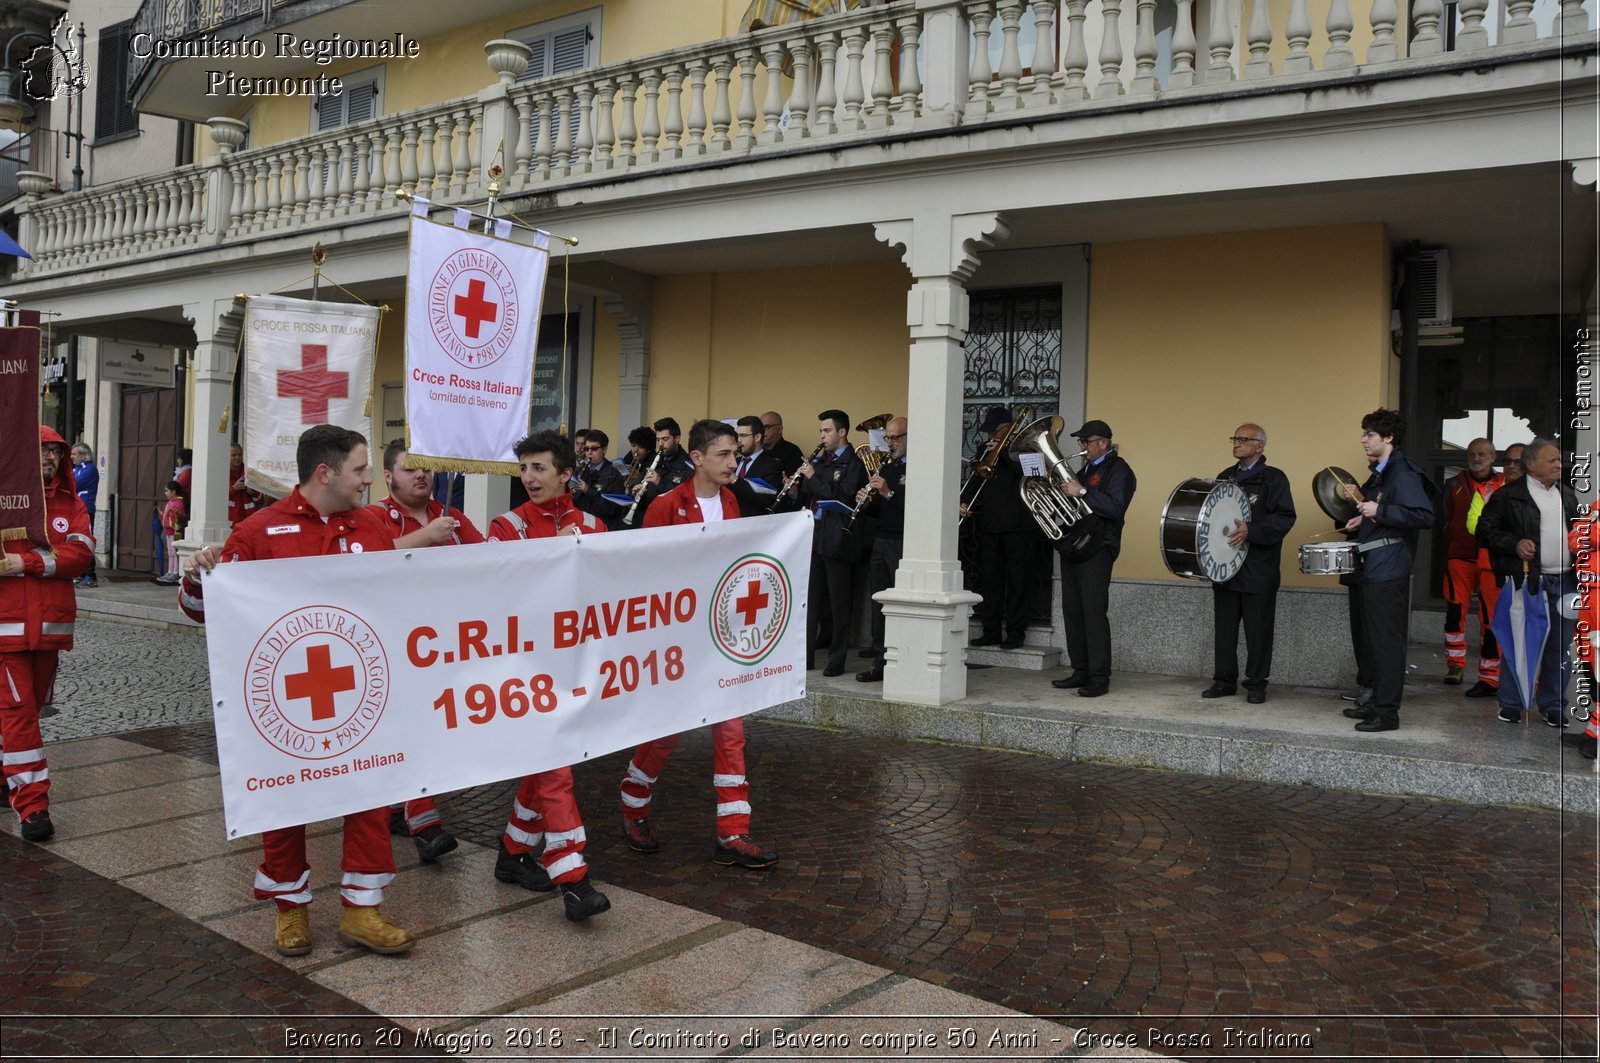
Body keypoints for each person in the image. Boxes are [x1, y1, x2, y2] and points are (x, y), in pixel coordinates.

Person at [179, 425, 415, 957]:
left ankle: (362, 910)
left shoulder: (373, 528)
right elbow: (201, 613)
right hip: (288, 700)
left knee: (371, 796)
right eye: (360, 469)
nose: (369, 479)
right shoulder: (260, 530)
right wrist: (198, 578)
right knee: (284, 798)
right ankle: (291, 910)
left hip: (363, 694)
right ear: (324, 473)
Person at [623, 419, 777, 870]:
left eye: (736, 454)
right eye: (725, 455)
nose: (734, 462)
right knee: (664, 735)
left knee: (732, 734)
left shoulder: (732, 501)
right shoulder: (665, 505)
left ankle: (734, 832)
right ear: (698, 459)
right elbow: (648, 579)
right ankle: (633, 804)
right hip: (675, 646)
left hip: (720, 643)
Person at [484, 431, 611, 922]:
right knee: (555, 765)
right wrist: (550, 554)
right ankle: (573, 877)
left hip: (577, 666)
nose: (530, 479)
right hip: (524, 668)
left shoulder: (596, 525)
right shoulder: (506, 525)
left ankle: (513, 852)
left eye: (540, 469)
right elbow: (499, 593)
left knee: (544, 765)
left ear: (565, 474)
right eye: (525, 469)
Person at [368, 439, 483, 864]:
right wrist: (423, 538)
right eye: (409, 469)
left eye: (426, 469)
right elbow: (363, 562)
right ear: (388, 476)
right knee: (414, 728)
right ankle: (424, 821)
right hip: (392, 642)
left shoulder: (451, 517)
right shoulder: (373, 517)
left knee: (429, 728)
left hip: (445, 644)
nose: (420, 476)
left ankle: (398, 808)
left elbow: (494, 558)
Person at [0, 428, 94, 841]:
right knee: (19, 714)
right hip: (5, 633)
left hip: (49, 633)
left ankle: (7, 773)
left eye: (54, 451)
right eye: (39, 450)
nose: (48, 457)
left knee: (29, 711)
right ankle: (34, 807)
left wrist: (27, 562)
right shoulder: (4, 503)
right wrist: (48, 558)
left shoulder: (71, 505)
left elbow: (82, 555)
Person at [1337, 410, 1436, 734]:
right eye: (1364, 433)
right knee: (1373, 640)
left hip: (1388, 567)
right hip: (1375, 566)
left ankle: (1387, 713)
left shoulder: (1402, 472)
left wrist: (1379, 510)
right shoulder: (1383, 472)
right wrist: (1364, 518)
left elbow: (1423, 515)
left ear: (1389, 438)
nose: (1364, 439)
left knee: (1386, 643)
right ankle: (1376, 702)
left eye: (1370, 434)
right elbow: (1386, 514)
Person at [1477, 438, 1579, 728]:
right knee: (1518, 643)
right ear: (1531, 465)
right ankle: (1510, 704)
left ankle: (1553, 705)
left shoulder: (1568, 496)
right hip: (1528, 582)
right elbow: (1485, 532)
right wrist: (1514, 543)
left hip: (1565, 584)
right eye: (1552, 460)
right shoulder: (1508, 496)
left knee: (1559, 649)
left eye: (1559, 459)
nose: (1559, 464)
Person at [1203, 424, 1297, 705]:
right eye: (1235, 438)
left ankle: (1256, 684)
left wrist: (1251, 531)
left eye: (1244, 439)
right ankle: (1224, 681)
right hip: (1225, 568)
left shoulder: (1274, 479)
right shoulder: (1224, 477)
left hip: (1259, 569)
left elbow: (1284, 518)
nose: (1237, 443)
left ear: (1260, 446)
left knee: (1258, 632)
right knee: (1225, 630)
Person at [1050, 420, 1137, 698]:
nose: (1083, 447)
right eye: (1082, 443)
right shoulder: (1086, 469)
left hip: (1099, 548)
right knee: (1072, 610)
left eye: (1086, 442)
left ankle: (1099, 677)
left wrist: (1083, 491)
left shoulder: (1119, 470)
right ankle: (1081, 669)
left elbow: (1115, 507)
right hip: (1076, 545)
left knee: (1093, 612)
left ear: (1104, 443)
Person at [800, 409, 868, 677]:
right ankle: (805, 656)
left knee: (839, 601)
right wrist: (798, 484)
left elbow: (844, 496)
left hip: (839, 535)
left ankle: (837, 658)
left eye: (827, 431)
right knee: (810, 599)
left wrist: (812, 477)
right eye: (820, 431)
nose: (822, 436)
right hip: (814, 532)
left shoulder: (855, 463)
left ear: (842, 432)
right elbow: (811, 493)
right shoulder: (823, 460)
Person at [959, 406, 1033, 650]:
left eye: (995, 431)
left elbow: (1032, 477)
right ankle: (991, 631)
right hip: (990, 525)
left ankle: (1015, 634)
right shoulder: (984, 449)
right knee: (990, 581)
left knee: (1018, 582)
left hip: (1019, 527)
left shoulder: (1027, 448)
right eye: (989, 431)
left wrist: (1001, 455)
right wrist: (965, 501)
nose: (991, 436)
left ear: (1008, 427)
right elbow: (975, 480)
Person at [1442, 438, 1503, 696]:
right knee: (1455, 611)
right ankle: (1455, 665)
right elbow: (1443, 518)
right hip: (1460, 557)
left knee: (1490, 619)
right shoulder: (1453, 484)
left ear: (1493, 457)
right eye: (1471, 453)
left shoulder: (1505, 485)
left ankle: (1489, 675)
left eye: (1482, 453)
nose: (1476, 457)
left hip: (1492, 560)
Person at [856, 416, 907, 683]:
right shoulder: (888, 464)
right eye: (888, 438)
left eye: (896, 437)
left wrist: (888, 493)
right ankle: (880, 657)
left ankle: (898, 659)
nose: (890, 442)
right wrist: (866, 501)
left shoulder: (918, 466)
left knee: (899, 604)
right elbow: (879, 510)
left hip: (902, 541)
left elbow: (915, 509)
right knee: (879, 601)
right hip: (881, 539)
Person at [1563, 508, 1598, 759]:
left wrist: (1588, 535)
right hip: (1589, 592)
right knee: (1589, 664)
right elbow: (1572, 539)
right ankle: (1593, 730)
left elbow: (1587, 536)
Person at [627, 417, 694, 521]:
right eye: (658, 440)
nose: (661, 444)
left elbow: (686, 499)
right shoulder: (654, 461)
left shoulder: (688, 465)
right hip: (649, 519)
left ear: (677, 439)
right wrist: (636, 492)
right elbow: (642, 492)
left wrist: (660, 482)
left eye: (665, 439)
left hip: (673, 522)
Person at [729, 414, 784, 516]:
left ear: (757, 437)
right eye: (737, 436)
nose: (739, 440)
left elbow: (765, 499)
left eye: (743, 436)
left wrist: (735, 480)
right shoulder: (734, 461)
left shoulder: (771, 465)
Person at [571, 428, 627, 526]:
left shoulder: (614, 475)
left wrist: (587, 490)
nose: (589, 453)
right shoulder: (581, 470)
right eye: (586, 449)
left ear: (604, 449)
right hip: (579, 525)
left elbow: (612, 509)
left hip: (601, 528)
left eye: (594, 449)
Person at [70, 443, 98, 588]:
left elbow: (74, 484)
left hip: (86, 508)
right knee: (75, 540)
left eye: (74, 454)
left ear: (82, 455)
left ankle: (91, 575)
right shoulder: (76, 469)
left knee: (86, 540)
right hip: (75, 508)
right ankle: (80, 572)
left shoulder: (90, 469)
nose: (71, 457)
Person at [227, 444, 271, 528]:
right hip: (228, 522)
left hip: (248, 521)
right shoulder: (221, 473)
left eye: (240, 455)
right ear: (226, 456)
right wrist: (233, 488)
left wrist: (252, 492)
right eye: (234, 455)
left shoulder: (250, 472)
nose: (237, 457)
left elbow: (262, 500)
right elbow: (215, 499)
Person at [155, 480, 186, 585]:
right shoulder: (171, 502)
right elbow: (167, 515)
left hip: (173, 532)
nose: (165, 493)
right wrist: (160, 513)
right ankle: (170, 571)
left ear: (173, 491)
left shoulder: (177, 503)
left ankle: (175, 572)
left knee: (174, 553)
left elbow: (180, 516)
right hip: (168, 531)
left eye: (167, 490)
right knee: (170, 553)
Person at [761, 411, 805, 480]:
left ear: (780, 429)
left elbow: (794, 482)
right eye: (760, 428)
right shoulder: (757, 450)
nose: (762, 432)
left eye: (767, 427)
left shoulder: (792, 451)